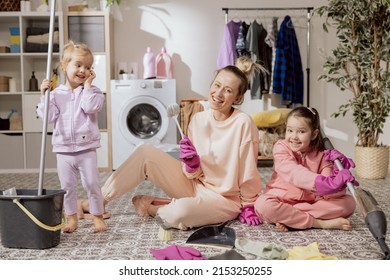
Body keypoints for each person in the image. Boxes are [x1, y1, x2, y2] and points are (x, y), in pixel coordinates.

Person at [79, 56, 265, 230]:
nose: (219, 93)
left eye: (228, 90)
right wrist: (192, 166)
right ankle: (98, 201)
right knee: (144, 152)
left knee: (179, 214)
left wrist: (249, 204)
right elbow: (191, 174)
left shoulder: (243, 123)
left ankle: (150, 206)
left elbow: (249, 168)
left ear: (238, 98)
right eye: (217, 85)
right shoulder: (198, 119)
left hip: (224, 199)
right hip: (195, 186)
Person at [37, 41, 107, 233]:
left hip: (86, 149)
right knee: (67, 187)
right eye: (78, 65)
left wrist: (88, 86)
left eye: (88, 67)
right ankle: (72, 218)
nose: (83, 70)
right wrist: (44, 96)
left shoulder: (93, 92)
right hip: (64, 149)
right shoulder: (55, 94)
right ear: (64, 66)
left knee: (92, 184)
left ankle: (97, 216)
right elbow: (48, 117)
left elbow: (90, 107)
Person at [254, 106, 358, 232]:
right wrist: (322, 183)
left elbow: (328, 191)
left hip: (310, 203)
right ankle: (319, 223)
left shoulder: (323, 154)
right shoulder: (281, 148)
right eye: (290, 130)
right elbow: (294, 173)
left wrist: (338, 176)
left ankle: (291, 218)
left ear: (314, 134)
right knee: (262, 205)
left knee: (349, 203)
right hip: (281, 199)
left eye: (301, 132)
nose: (294, 137)